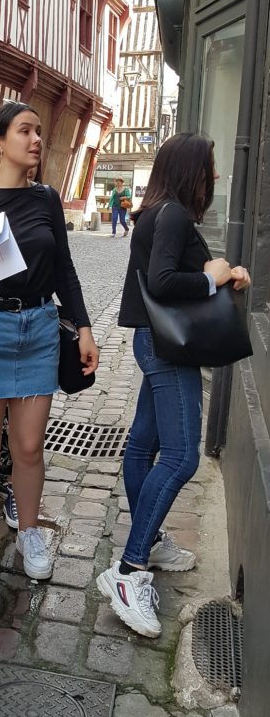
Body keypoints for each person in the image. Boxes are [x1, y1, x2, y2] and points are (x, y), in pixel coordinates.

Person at [0, 102, 99, 601]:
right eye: (25, 131)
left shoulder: (46, 199)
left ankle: (29, 532)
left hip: (40, 330)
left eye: (38, 131)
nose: (36, 140)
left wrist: (84, 327)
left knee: (29, 446)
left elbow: (65, 268)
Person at [97, 133, 251, 638]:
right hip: (167, 348)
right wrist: (210, 279)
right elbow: (164, 281)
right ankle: (129, 570)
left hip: (157, 342)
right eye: (209, 166)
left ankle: (150, 541)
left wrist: (223, 275)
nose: (215, 176)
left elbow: (176, 273)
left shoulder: (159, 212)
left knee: (144, 444)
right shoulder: (174, 215)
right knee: (182, 457)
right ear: (191, 170)